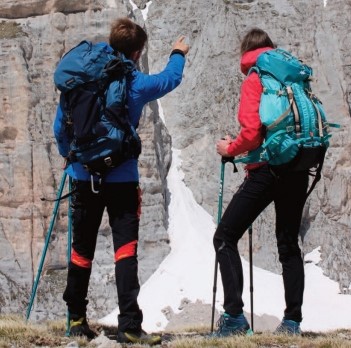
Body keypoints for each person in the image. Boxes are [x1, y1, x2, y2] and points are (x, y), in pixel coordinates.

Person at [53, 17, 189, 344]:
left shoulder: (80, 79)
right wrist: (178, 52)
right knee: (125, 251)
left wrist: (72, 158)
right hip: (122, 179)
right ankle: (129, 325)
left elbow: (61, 129)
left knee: (81, 249)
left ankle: (75, 320)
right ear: (138, 52)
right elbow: (170, 80)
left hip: (83, 177)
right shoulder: (135, 83)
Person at [213, 28, 308, 336]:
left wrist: (230, 148)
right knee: (289, 243)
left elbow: (252, 132)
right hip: (299, 165)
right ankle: (292, 321)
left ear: (246, 52)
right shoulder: (291, 76)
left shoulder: (256, 78)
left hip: (268, 169)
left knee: (225, 236)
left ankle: (234, 318)